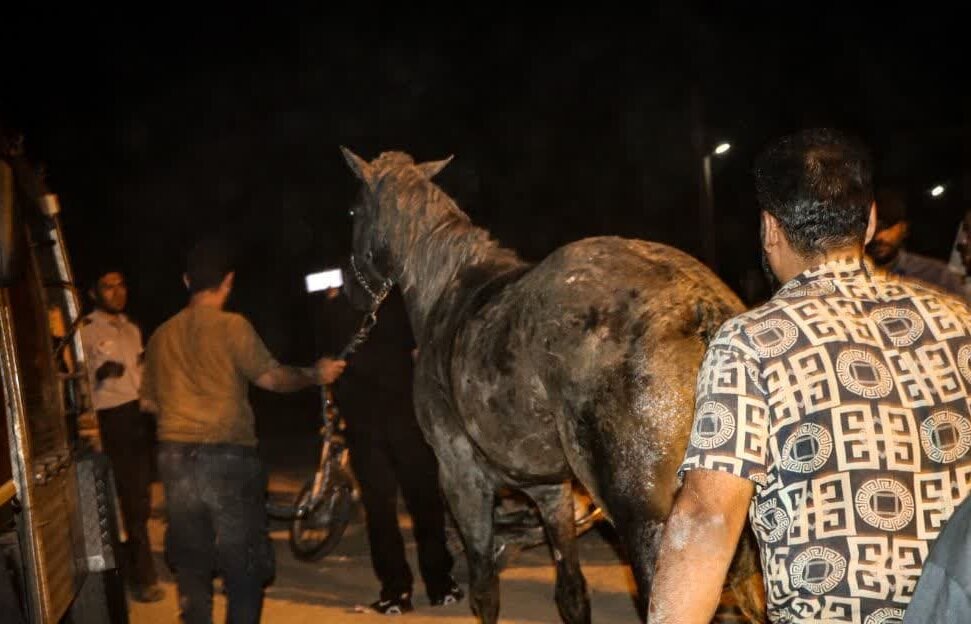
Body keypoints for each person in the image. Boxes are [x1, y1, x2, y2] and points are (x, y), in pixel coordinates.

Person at [649, 128, 971, 623]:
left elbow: (707, 519)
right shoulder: (959, 322)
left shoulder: (753, 342)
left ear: (769, 229)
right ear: (869, 224)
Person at [140, 238, 346, 624]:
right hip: (227, 455)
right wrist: (315, 375)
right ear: (229, 282)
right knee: (244, 562)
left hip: (175, 457)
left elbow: (148, 403)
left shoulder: (160, 335)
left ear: (187, 281)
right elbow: (270, 377)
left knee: (191, 558)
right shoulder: (233, 327)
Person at [320, 281, 462, 615]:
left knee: (383, 510)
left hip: (367, 423)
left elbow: (327, 360)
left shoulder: (338, 295)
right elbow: (420, 357)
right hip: (402, 418)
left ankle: (397, 592)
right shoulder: (402, 295)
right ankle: (439, 585)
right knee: (423, 503)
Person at [79, 268, 163, 602]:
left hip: (137, 416)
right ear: (94, 293)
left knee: (139, 498)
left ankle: (136, 569)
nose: (117, 292)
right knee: (117, 501)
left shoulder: (131, 328)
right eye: (108, 287)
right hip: (108, 418)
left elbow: (141, 372)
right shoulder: (85, 331)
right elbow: (73, 379)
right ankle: (138, 578)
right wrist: (98, 375)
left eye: (121, 285)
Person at [866, 187, 966, 297]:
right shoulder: (852, 274)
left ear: (904, 228)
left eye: (888, 226)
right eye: (875, 227)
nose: (879, 236)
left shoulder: (936, 276)